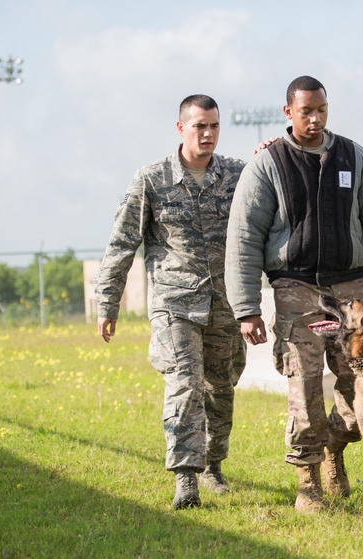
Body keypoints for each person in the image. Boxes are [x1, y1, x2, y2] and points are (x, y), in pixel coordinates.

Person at [226, 75, 363, 514]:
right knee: (306, 388)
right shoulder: (268, 164)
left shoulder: (353, 157)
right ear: (288, 112)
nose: (314, 119)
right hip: (296, 291)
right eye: (305, 111)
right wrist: (247, 308)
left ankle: (334, 444)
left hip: (350, 290)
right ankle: (308, 480)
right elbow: (244, 237)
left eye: (321, 110)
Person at [96, 94, 247, 510]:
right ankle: (186, 478)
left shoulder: (238, 175)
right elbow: (122, 243)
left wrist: (274, 150)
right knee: (185, 384)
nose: (208, 134)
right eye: (199, 125)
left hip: (225, 304)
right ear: (180, 127)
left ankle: (214, 464)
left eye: (214, 126)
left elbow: (266, 218)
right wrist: (107, 303)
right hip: (174, 303)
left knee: (222, 387)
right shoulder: (151, 179)